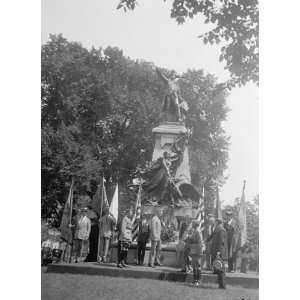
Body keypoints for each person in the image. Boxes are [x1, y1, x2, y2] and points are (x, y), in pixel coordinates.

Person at [209, 218, 228, 289]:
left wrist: (218, 252)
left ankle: (222, 285)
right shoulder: (217, 229)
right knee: (218, 268)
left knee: (221, 269)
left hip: (219, 252)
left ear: (217, 222)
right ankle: (221, 285)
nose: (214, 223)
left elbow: (221, 242)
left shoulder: (221, 230)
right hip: (217, 251)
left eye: (215, 222)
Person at [186, 220, 205, 286]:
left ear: (195, 225)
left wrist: (190, 238)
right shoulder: (195, 231)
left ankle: (198, 280)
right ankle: (195, 280)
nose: (192, 225)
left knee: (198, 265)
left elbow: (199, 242)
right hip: (194, 250)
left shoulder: (198, 231)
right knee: (194, 265)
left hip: (197, 251)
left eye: (193, 224)